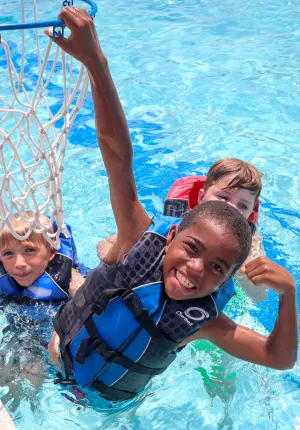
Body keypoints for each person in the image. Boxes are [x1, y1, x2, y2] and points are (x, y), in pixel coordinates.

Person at [47, 7, 297, 402]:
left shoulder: (205, 322)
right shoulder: (137, 238)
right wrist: (96, 62)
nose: (195, 270)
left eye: (217, 267)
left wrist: (288, 295)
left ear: (228, 276)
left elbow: (277, 358)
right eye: (192, 249)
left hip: (108, 409)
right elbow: (116, 156)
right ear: (173, 234)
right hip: (52, 362)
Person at [98, 158, 268, 302]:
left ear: (249, 213)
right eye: (223, 197)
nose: (231, 208)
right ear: (201, 197)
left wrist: (237, 268)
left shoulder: (249, 244)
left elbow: (259, 296)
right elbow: (105, 243)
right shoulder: (174, 221)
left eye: (243, 206)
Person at [0, 211, 84, 300]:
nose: (19, 264)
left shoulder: (72, 283)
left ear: (51, 252)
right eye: (8, 253)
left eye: (29, 250)